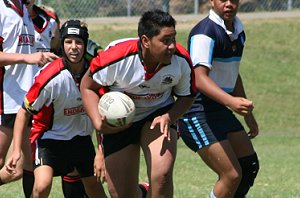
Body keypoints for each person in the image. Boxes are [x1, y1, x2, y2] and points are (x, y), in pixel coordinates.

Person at [80, 9, 196, 198]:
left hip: (158, 114)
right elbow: (87, 86)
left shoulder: (180, 61)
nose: (172, 46)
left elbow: (188, 96)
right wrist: (97, 121)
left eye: (173, 39)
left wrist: (169, 116)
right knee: (121, 194)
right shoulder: (116, 57)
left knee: (163, 175)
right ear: (145, 41)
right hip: (120, 122)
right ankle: (142, 193)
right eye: (165, 40)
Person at [5, 19, 106, 198]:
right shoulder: (50, 76)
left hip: (80, 139)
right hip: (48, 139)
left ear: (85, 45)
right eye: (68, 42)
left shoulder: (95, 74)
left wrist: (100, 152)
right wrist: (16, 151)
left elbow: (102, 116)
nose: (73, 47)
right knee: (42, 186)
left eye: (79, 42)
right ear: (62, 44)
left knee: (95, 189)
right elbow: (23, 112)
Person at [177, 0, 259, 197]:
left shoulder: (238, 31)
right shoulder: (205, 32)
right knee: (231, 174)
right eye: (223, 0)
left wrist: (248, 116)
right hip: (196, 111)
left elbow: (233, 74)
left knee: (248, 166)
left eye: (234, 0)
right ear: (212, 1)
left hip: (219, 110)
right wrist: (231, 102)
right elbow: (199, 78)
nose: (229, 4)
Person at [0, 0, 58, 188]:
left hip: (26, 97)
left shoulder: (24, 9)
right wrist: (27, 58)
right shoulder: (2, 8)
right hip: (5, 97)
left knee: (30, 164)